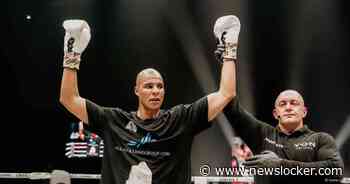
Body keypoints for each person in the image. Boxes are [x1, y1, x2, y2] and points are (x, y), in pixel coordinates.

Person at [59, 16, 240, 184]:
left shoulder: (180, 119)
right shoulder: (114, 121)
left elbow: (226, 93)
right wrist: (72, 55)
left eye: (160, 87)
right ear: (137, 90)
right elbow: (69, 99)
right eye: (149, 86)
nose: (156, 92)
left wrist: (229, 51)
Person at [218, 50, 345, 183]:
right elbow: (228, 103)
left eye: (294, 103)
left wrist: (280, 165)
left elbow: (336, 170)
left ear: (304, 112)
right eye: (283, 104)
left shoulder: (321, 139)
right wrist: (228, 59)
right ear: (275, 113)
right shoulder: (262, 133)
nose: (288, 107)